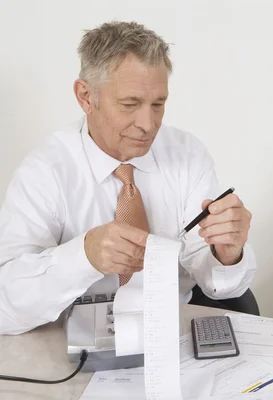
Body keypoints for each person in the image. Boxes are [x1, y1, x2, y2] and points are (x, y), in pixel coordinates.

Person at [0, 21, 256, 336]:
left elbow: (221, 287)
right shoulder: (44, 173)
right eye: (129, 105)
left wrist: (227, 254)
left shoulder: (188, 155)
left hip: (172, 331)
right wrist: (83, 255)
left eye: (158, 105)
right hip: (76, 341)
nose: (148, 124)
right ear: (85, 96)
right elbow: (6, 310)